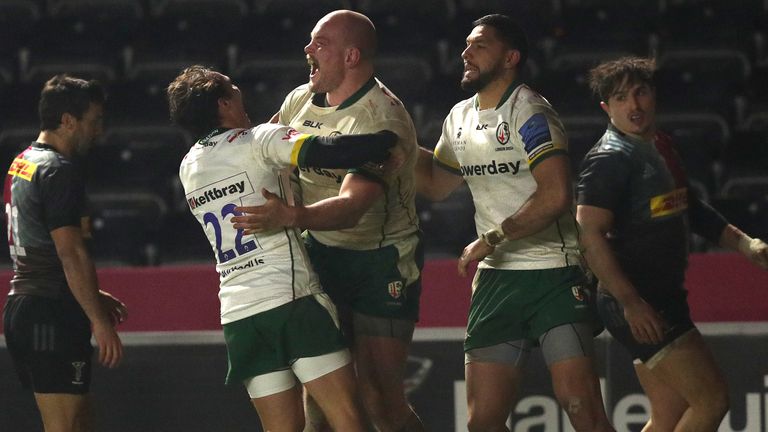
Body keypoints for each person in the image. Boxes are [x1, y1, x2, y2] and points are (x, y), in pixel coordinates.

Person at [168, 65, 402, 432]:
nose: (240, 89)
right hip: (290, 299)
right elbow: (326, 151)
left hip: (239, 314)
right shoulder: (258, 140)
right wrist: (384, 140)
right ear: (224, 103)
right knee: (349, 421)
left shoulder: (189, 166)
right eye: (233, 87)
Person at [414, 15, 614, 432]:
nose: (466, 52)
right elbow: (435, 184)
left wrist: (492, 238)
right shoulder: (459, 118)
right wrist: (395, 142)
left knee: (583, 411)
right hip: (497, 283)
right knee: (483, 423)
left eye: (479, 45)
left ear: (510, 57)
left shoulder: (531, 111)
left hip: (554, 274)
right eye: (466, 44)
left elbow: (556, 194)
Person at [230, 10, 426, 432]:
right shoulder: (299, 100)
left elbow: (354, 204)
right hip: (320, 255)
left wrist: (292, 215)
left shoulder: (380, 118)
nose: (307, 50)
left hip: (381, 260)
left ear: (352, 55)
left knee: (380, 400)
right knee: (319, 400)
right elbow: (265, 153)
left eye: (319, 44)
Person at [576, 56, 768, 431]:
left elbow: (689, 207)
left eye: (640, 92)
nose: (634, 105)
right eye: (620, 98)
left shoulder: (659, 144)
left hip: (660, 297)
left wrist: (746, 245)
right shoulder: (608, 160)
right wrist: (632, 304)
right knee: (711, 401)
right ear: (606, 108)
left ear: (653, 95)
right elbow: (589, 233)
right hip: (638, 302)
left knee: (671, 415)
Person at [2, 74, 127, 432]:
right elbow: (69, 251)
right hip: (50, 314)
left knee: (81, 422)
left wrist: (90, 294)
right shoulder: (59, 170)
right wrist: (100, 323)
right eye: (94, 121)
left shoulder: (21, 163)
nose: (98, 131)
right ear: (68, 121)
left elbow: (38, 245)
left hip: (28, 306)